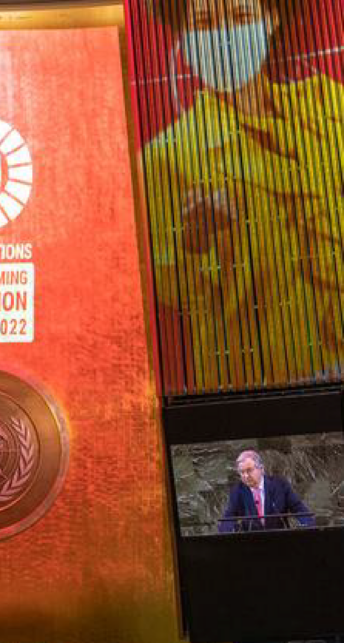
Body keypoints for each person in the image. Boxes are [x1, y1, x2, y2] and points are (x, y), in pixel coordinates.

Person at [143, 0, 344, 392]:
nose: (224, 38)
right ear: (183, 37)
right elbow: (177, 294)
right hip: (261, 380)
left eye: (240, 17)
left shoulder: (328, 105)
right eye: (204, 23)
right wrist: (194, 240)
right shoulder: (166, 156)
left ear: (272, 19)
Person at [218, 451, 313, 532]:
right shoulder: (237, 491)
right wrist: (228, 530)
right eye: (242, 472)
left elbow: (299, 509)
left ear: (261, 469)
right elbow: (228, 519)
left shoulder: (280, 485)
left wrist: (306, 525)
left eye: (249, 470)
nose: (246, 476)